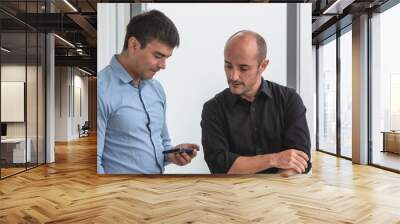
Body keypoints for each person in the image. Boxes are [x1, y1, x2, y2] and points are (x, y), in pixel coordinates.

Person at [97, 10, 198, 174]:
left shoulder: (156, 89)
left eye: (167, 58)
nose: (163, 65)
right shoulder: (101, 89)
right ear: (134, 45)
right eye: (158, 56)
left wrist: (171, 154)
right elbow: (94, 162)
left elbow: (163, 143)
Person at [201, 30, 311, 176]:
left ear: (263, 65)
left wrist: (273, 191)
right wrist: (274, 159)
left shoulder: (289, 99)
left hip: (282, 193)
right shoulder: (213, 108)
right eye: (228, 66)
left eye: (243, 68)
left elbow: (299, 159)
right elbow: (220, 166)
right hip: (232, 195)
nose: (233, 76)